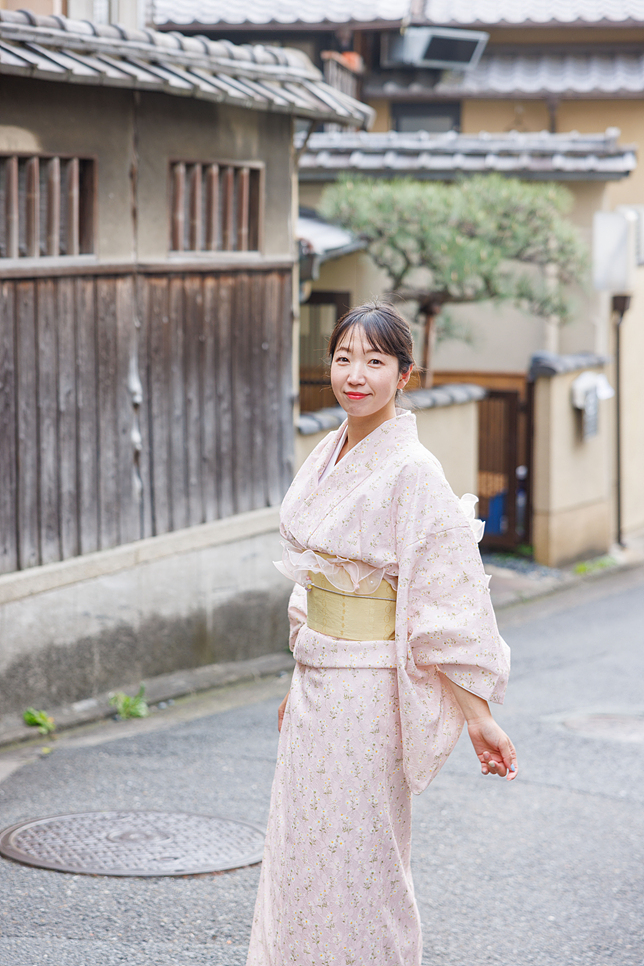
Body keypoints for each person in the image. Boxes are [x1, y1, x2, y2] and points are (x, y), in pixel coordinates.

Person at [246, 301, 517, 966]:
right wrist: (297, 672)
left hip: (368, 692)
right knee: (302, 844)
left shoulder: (413, 469)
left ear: (405, 374)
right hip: (316, 682)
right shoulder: (328, 451)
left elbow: (444, 599)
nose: (355, 374)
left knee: (365, 854)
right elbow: (314, 578)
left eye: (375, 360)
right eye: (343, 358)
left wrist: (477, 716)